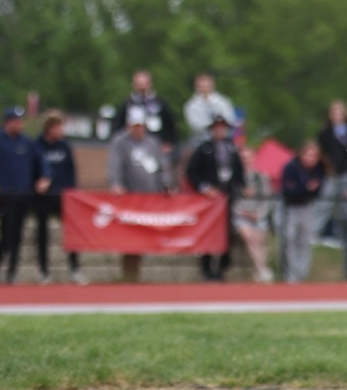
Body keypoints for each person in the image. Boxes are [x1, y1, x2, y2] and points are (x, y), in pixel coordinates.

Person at [0, 106, 48, 286]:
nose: (20, 124)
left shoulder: (26, 142)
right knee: (5, 233)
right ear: (8, 122)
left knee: (18, 234)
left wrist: (44, 177)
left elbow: (41, 162)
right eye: (16, 121)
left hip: (23, 195)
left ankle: (12, 271)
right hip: (4, 195)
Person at [107, 107, 171, 282]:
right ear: (129, 125)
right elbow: (115, 165)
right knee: (130, 237)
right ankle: (128, 272)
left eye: (141, 125)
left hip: (150, 198)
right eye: (135, 125)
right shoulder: (120, 142)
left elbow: (162, 166)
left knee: (143, 237)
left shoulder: (152, 143)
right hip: (130, 198)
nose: (138, 129)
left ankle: (137, 273)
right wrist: (116, 184)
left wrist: (166, 185)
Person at [184, 112, 244, 281]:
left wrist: (240, 186)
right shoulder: (204, 149)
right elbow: (191, 172)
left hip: (226, 197)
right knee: (208, 233)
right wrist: (205, 188)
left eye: (222, 128)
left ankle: (222, 266)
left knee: (227, 233)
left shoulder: (232, 148)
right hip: (209, 200)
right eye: (216, 128)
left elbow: (239, 172)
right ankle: (207, 268)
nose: (219, 131)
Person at [33, 112, 84, 284]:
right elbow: (33, 169)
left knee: (72, 233)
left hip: (64, 197)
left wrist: (72, 193)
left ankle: (75, 269)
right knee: (42, 234)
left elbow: (71, 171)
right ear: (50, 128)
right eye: (58, 127)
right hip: (43, 198)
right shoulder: (37, 146)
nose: (61, 130)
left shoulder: (64, 146)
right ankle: (44, 271)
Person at [317, 100, 347, 278]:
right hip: (333, 173)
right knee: (325, 201)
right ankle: (317, 231)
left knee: (346, 209)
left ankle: (345, 234)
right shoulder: (326, 133)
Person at [277, 141, 327, 284]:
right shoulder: (291, 167)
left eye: (314, 156)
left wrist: (306, 190)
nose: (311, 159)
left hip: (307, 207)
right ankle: (290, 275)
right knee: (289, 239)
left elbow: (317, 190)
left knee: (305, 240)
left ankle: (302, 274)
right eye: (308, 155)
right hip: (290, 207)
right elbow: (290, 191)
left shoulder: (318, 169)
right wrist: (305, 188)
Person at [232, 146, 274, 283]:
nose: (245, 161)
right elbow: (230, 201)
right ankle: (262, 269)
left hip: (257, 215)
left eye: (248, 157)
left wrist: (259, 214)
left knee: (259, 238)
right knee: (249, 236)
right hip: (240, 216)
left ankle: (259, 270)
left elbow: (267, 200)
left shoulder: (261, 177)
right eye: (242, 158)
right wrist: (242, 212)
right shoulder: (234, 179)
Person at [120, 71, 181, 159]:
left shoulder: (160, 103)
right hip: (133, 147)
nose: (142, 87)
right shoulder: (128, 104)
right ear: (134, 85)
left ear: (150, 84)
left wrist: (169, 142)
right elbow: (118, 126)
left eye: (144, 84)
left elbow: (171, 124)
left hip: (158, 145)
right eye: (139, 84)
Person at [182, 73, 235, 148]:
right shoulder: (191, 105)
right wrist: (212, 128)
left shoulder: (223, 102)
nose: (205, 90)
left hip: (223, 141)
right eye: (202, 87)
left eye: (207, 87)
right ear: (196, 87)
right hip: (200, 142)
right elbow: (195, 126)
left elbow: (230, 119)